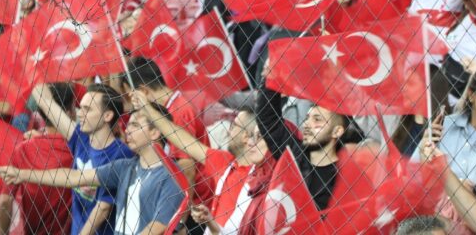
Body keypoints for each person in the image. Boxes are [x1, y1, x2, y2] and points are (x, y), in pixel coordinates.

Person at [0, 105, 186, 235]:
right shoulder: (126, 166)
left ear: (155, 132)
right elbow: (74, 178)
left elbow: (158, 226)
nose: (128, 130)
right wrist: (22, 174)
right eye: (128, 124)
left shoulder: (171, 174)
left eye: (135, 125)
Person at [133, 92, 272, 235]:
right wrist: (148, 109)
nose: (228, 129)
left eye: (234, 125)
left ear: (245, 136)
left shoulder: (262, 175)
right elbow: (182, 139)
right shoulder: (225, 162)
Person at [30, 82, 133, 235]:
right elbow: (46, 102)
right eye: (81, 107)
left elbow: (103, 209)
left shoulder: (121, 153)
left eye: (87, 109)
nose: (79, 113)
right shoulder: (81, 136)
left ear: (107, 115)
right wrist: (36, 75)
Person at [256, 60, 344, 209]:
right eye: (307, 118)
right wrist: (270, 78)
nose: (307, 124)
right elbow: (268, 119)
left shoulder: (346, 176)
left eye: (317, 119)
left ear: (337, 131)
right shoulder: (295, 155)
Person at [126, 57, 207, 204]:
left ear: (143, 91)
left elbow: (187, 168)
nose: (133, 102)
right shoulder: (169, 108)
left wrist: (183, 213)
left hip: (198, 200)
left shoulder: (179, 111)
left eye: (133, 96)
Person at [0, 83, 75, 235]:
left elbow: (5, 201)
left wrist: (2, 233)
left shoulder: (24, 149)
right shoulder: (79, 149)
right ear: (68, 112)